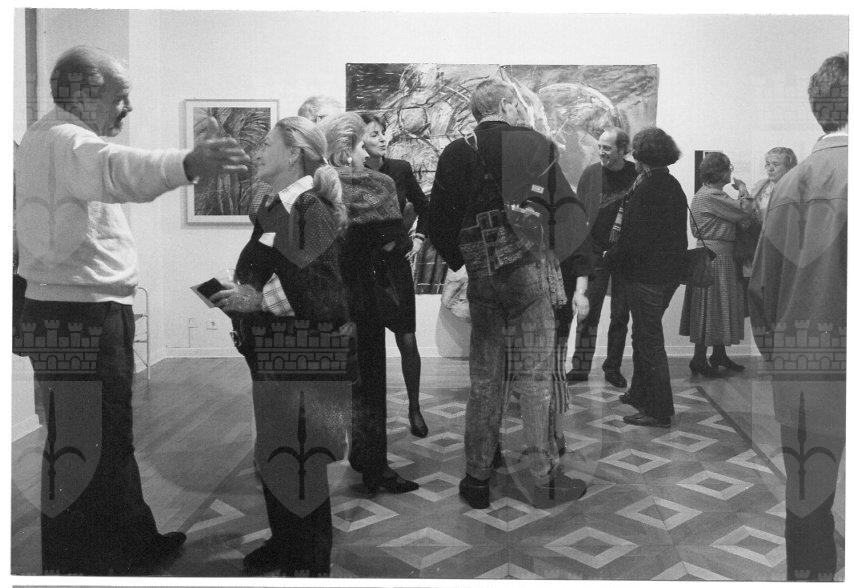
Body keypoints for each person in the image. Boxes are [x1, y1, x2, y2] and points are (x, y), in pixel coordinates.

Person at [13, 45, 249, 574]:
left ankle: (108, 550)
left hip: (62, 312)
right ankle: (103, 562)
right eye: (121, 96)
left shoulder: (41, 139)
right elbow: (117, 170)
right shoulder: (68, 141)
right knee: (97, 440)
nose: (128, 107)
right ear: (83, 93)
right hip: (84, 316)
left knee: (83, 441)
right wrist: (187, 163)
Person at [428, 79, 587, 509]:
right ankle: (542, 477)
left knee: (485, 380)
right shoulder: (533, 143)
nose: (519, 110)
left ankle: (477, 478)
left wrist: (463, 259)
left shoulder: (456, 151)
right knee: (534, 379)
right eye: (515, 104)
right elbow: (567, 214)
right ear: (503, 104)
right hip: (527, 272)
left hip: (482, 275)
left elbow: (436, 220)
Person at [210, 116, 353, 577]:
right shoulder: (279, 206)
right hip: (278, 352)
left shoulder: (309, 208)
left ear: (293, 153)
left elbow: (322, 294)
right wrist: (242, 294)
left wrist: (253, 300)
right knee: (277, 454)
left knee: (301, 458)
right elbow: (278, 271)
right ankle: (286, 544)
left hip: (303, 355)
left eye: (267, 144)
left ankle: (309, 561)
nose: (257, 151)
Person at [748, 51, 847, 581]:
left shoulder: (788, 186)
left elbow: (761, 293)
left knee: (808, 497)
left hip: (806, 367)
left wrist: (785, 357)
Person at [320, 112, 419, 494]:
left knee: (347, 383)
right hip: (365, 295)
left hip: (331, 297)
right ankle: (375, 468)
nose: (367, 153)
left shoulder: (317, 187)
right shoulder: (378, 185)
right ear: (347, 150)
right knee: (372, 385)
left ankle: (357, 455)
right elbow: (396, 238)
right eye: (362, 145)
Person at [605, 127, 687, 428]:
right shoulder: (670, 183)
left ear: (642, 154)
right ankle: (640, 393)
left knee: (649, 340)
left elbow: (634, 237)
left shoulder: (648, 187)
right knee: (642, 335)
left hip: (647, 276)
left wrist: (610, 256)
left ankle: (659, 410)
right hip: (665, 275)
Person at [360, 112, 430, 437]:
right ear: (358, 140)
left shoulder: (399, 169)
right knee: (368, 343)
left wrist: (419, 238)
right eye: (374, 134)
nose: (382, 138)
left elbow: (424, 207)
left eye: (382, 132)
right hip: (364, 267)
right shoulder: (350, 175)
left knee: (407, 338)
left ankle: (414, 407)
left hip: (395, 265)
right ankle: (369, 416)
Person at [565, 127, 635, 388]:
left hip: (625, 255)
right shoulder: (591, 173)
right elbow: (578, 214)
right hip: (594, 253)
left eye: (607, 148)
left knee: (620, 315)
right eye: (600, 147)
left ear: (622, 150)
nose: (601, 152)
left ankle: (612, 368)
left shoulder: (636, 175)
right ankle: (580, 367)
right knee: (587, 313)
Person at [679, 152, 755, 377]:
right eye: (728, 168)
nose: (730, 172)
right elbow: (744, 210)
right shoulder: (712, 195)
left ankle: (718, 355)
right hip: (716, 258)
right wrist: (743, 188)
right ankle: (699, 359)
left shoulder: (707, 194)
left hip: (713, 256)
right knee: (711, 306)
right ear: (720, 172)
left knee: (715, 305)